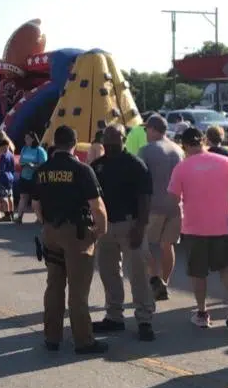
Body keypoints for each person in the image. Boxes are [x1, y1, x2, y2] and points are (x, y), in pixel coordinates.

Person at [32, 125, 109, 354]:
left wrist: (46, 223)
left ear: (55, 143)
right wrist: (101, 230)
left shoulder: (42, 170)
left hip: (51, 232)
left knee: (54, 286)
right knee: (78, 290)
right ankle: (83, 341)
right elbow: (97, 205)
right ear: (74, 144)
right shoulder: (81, 169)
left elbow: (36, 204)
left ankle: (52, 337)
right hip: (76, 234)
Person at [167, 127, 228, 329]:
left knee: (198, 272)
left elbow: (173, 200)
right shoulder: (226, 162)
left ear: (184, 145)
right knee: (226, 266)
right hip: (221, 225)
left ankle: (202, 313)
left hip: (194, 227)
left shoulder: (182, 167)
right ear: (204, 141)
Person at [91, 124, 156, 342]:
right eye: (107, 138)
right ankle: (114, 316)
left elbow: (145, 198)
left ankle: (144, 319)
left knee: (137, 274)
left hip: (131, 225)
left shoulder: (135, 164)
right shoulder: (97, 166)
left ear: (123, 139)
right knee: (108, 272)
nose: (110, 141)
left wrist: (141, 227)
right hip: (105, 227)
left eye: (114, 137)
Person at [139, 114, 184, 302]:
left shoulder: (146, 150)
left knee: (144, 246)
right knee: (168, 246)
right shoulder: (178, 150)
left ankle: (155, 279)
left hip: (153, 206)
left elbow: (139, 179)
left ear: (152, 129)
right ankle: (165, 282)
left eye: (146, 129)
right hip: (175, 206)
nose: (145, 133)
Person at [16, 131, 48, 223]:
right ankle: (19, 217)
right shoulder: (24, 149)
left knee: (36, 200)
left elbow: (44, 165)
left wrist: (34, 166)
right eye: (25, 138)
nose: (25, 140)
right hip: (24, 176)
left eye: (27, 138)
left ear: (33, 139)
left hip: (35, 178)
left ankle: (39, 218)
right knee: (23, 197)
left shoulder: (40, 150)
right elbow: (21, 161)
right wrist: (23, 164)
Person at [0, 136, 17, 222]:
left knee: (3, 197)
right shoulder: (11, 155)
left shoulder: (3, 156)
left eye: (0, 147)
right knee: (10, 196)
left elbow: (1, 169)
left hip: (3, 178)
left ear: (4, 146)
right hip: (10, 177)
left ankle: (7, 214)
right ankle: (11, 213)